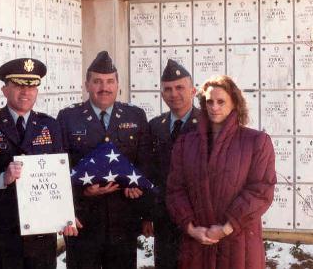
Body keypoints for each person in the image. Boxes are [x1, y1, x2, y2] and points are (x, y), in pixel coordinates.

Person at [0, 58, 71, 269]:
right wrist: (1, 179)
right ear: (5, 89)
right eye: (18, 85)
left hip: (40, 235)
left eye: (31, 86)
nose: (25, 92)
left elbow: (61, 179)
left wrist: (66, 214)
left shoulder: (49, 125)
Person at [166, 75, 276, 269]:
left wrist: (226, 228)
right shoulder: (186, 143)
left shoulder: (256, 141)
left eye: (221, 101)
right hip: (197, 244)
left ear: (235, 102)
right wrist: (191, 229)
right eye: (209, 101)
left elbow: (260, 191)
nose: (214, 107)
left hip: (238, 244)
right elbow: (175, 190)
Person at [57, 51, 152, 269]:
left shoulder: (135, 116)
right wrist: (82, 192)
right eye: (97, 81)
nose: (104, 87)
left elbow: (145, 162)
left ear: (118, 84)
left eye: (110, 81)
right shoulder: (68, 117)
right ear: (87, 85)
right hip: (84, 222)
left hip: (123, 221)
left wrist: (137, 189)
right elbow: (61, 168)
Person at [141, 59, 199, 269]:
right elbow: (148, 172)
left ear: (193, 91)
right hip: (164, 218)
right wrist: (147, 215)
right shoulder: (155, 126)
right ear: (162, 94)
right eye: (168, 89)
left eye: (180, 87)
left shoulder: (208, 125)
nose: (174, 93)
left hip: (198, 217)